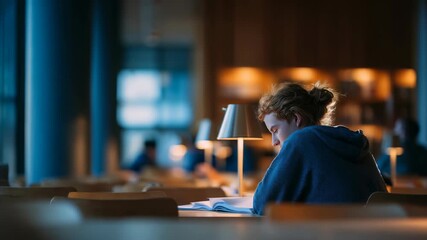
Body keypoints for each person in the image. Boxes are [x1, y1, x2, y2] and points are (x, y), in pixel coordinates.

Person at [252, 82, 387, 215]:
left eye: (275, 130)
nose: (274, 142)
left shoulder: (301, 140)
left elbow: (262, 205)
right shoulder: (353, 143)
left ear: (296, 118)